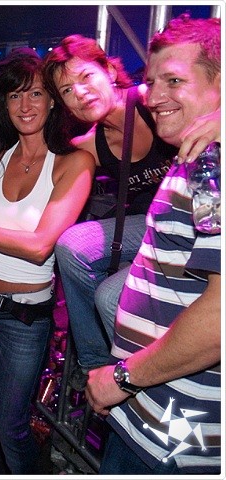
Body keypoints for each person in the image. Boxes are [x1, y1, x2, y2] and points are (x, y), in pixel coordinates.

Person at [0, 50, 96, 474]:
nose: (25, 105)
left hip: (24, 315)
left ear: (53, 102)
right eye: (14, 96)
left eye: (36, 94)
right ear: (3, 104)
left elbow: (40, 246)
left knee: (12, 426)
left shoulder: (74, 162)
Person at [85, 14, 221, 475]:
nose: (153, 95)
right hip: (155, 414)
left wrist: (123, 378)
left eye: (174, 80)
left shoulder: (214, 165)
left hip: (175, 436)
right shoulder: (197, 155)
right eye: (151, 81)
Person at [41, 34, 180, 378]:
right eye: (67, 90)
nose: (80, 92)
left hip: (189, 221)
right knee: (74, 248)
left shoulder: (152, 102)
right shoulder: (89, 145)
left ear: (110, 71)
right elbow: (37, 159)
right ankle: (95, 365)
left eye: (86, 76)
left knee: (108, 296)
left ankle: (136, 375)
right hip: (149, 227)